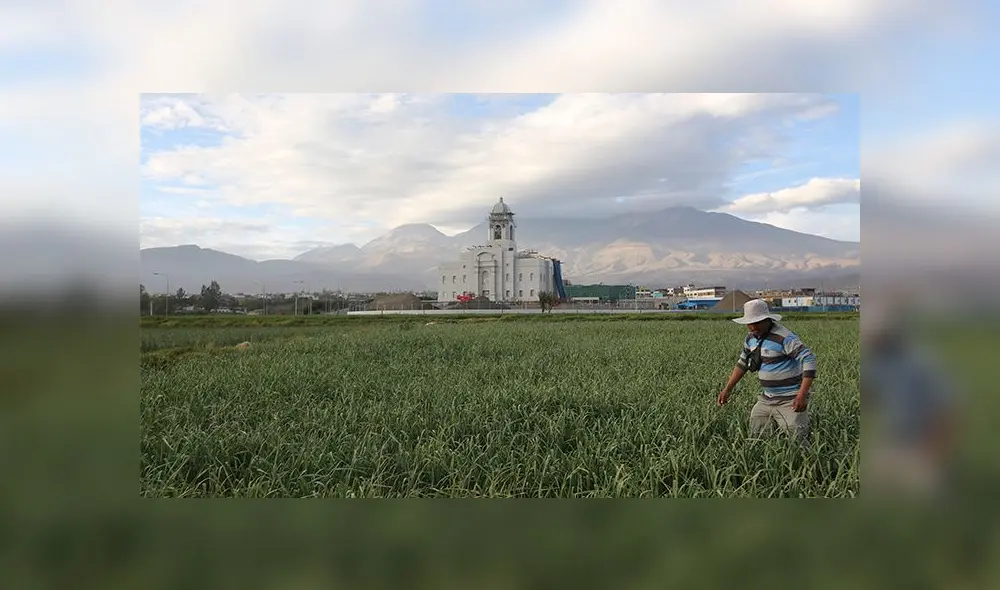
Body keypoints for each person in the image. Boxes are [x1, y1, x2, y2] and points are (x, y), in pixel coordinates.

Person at [717, 299, 817, 442]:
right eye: (750, 323)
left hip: (790, 399)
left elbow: (808, 359)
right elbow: (742, 364)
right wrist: (727, 389)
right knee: (757, 437)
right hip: (767, 398)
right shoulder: (750, 339)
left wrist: (802, 394)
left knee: (796, 441)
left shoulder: (784, 337)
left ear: (767, 319)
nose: (753, 327)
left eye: (757, 322)